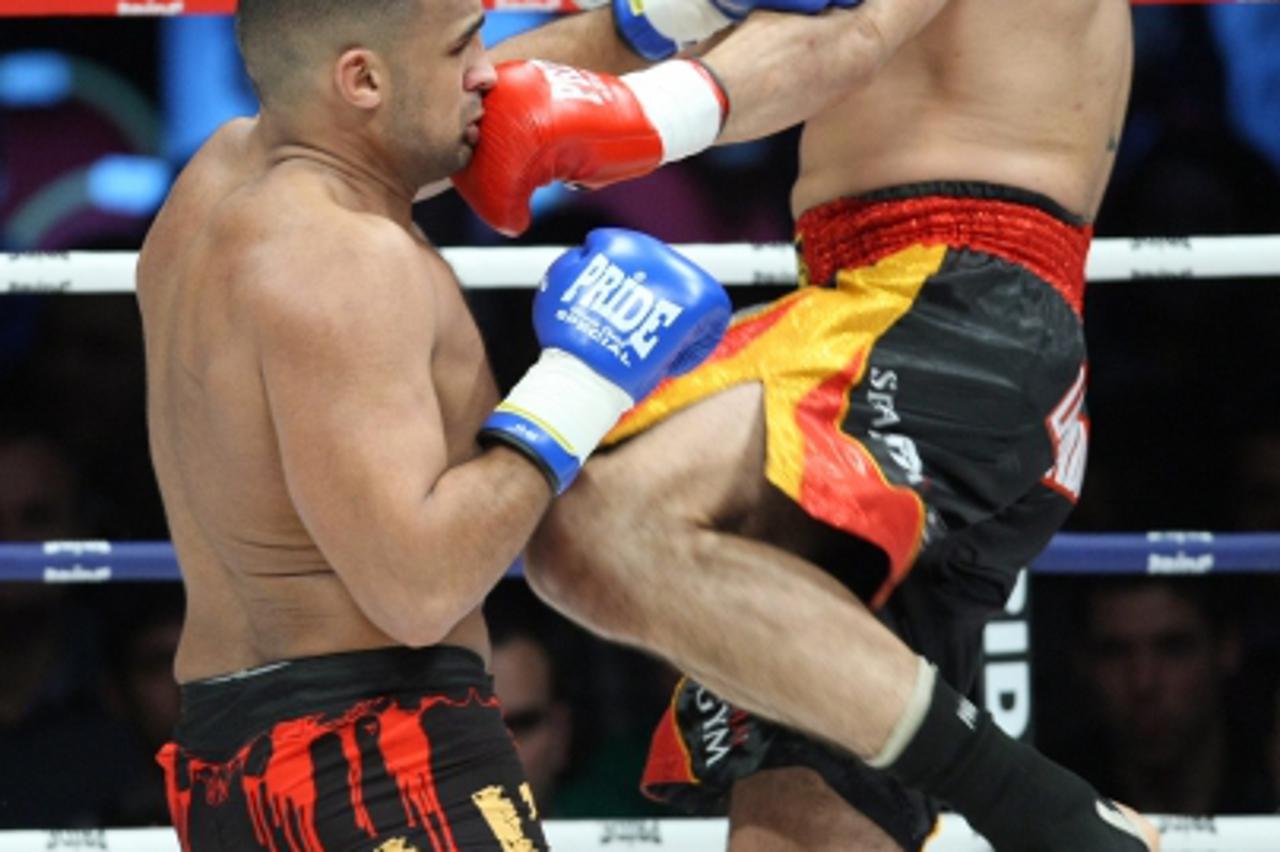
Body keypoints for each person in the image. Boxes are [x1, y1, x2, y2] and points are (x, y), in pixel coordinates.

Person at [451, 1, 1163, 850]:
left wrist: (629, 121)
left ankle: (1041, 811)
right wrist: (386, 125)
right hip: (891, 318)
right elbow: (642, 31)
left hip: (944, 304)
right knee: (795, 826)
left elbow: (843, 44)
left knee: (593, 526)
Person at [133, 0, 730, 848]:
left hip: (235, 764)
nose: (490, 70)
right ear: (362, 79)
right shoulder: (347, 259)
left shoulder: (221, 182)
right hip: (379, 756)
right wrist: (583, 379)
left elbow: (447, 86)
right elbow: (416, 590)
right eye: (465, 46)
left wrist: (671, 15)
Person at [1057, 577, 1275, 815]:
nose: (1143, 682)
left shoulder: (1270, 781)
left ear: (1226, 647)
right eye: (1115, 652)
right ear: (1080, 661)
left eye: (1173, 648)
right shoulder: (1051, 800)